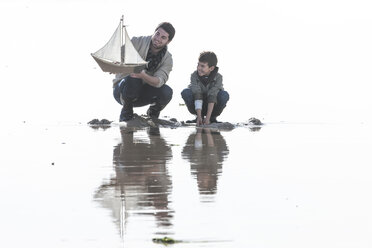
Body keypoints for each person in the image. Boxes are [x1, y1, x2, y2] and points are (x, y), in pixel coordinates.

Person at [113, 22, 175, 121]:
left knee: (167, 92)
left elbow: (159, 81)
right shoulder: (136, 41)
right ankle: (126, 114)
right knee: (133, 79)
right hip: (122, 91)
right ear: (154, 32)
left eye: (163, 37)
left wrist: (143, 75)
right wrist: (114, 65)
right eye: (157, 34)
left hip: (143, 94)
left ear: (168, 41)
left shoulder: (168, 59)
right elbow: (117, 57)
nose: (158, 39)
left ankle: (153, 114)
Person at [181, 51, 229, 126]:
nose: (199, 68)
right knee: (186, 92)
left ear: (211, 68)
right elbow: (197, 94)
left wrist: (208, 119)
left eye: (202, 66)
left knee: (224, 95)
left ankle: (212, 118)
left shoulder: (219, 77)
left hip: (212, 105)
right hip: (198, 105)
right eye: (198, 65)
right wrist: (199, 117)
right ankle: (198, 117)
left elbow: (212, 95)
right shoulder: (194, 75)